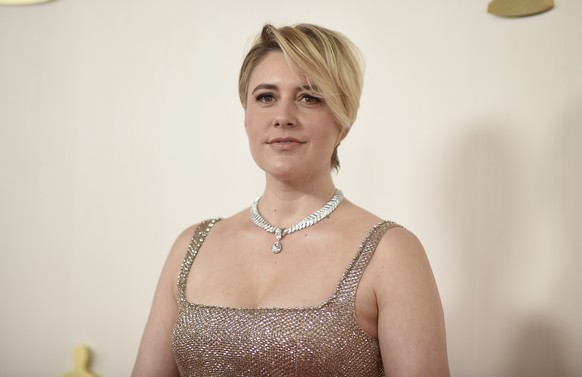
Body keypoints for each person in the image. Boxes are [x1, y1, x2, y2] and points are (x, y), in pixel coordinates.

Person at [132, 23, 450, 377]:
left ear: (343, 120)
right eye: (266, 97)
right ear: (246, 117)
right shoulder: (191, 245)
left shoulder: (391, 252)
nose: (283, 117)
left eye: (309, 97)